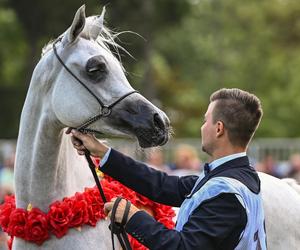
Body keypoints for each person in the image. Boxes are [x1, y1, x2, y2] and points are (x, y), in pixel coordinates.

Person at [69, 88, 266, 250]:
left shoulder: (225, 193)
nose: (202, 127)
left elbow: (184, 248)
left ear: (219, 129)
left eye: (206, 120)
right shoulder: (239, 175)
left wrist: (132, 217)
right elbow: (163, 185)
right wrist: (102, 152)